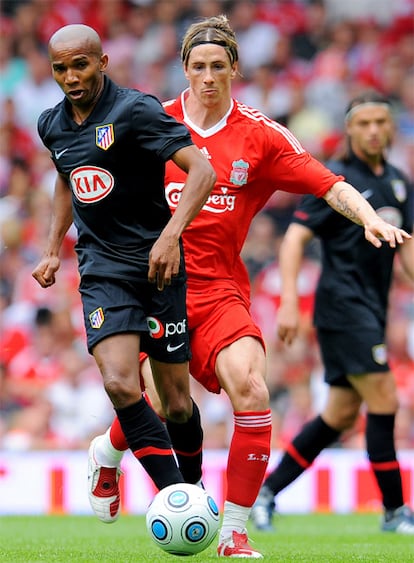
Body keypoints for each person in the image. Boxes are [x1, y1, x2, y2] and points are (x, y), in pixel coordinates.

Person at [89, 17, 411, 558]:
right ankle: (106, 451)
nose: (209, 77)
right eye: (198, 67)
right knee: (167, 407)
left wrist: (369, 218)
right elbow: (93, 179)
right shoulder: (152, 122)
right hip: (155, 287)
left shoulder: (259, 135)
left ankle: (235, 534)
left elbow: (327, 182)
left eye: (218, 66)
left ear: (235, 69)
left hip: (219, 292)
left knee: (254, 392)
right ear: (184, 70)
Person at [31, 23, 216, 522]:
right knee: (119, 383)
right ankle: (181, 501)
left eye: (80, 65)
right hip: (102, 269)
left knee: (177, 403)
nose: (70, 76)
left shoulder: (135, 110)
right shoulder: (52, 124)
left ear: (103, 61)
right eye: (60, 68)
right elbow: (67, 181)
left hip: (159, 267)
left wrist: (171, 235)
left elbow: (202, 171)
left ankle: (193, 487)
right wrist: (52, 249)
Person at [251, 91, 414, 535]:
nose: (374, 130)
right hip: (341, 307)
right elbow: (294, 239)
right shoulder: (336, 181)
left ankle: (265, 493)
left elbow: (410, 262)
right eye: (364, 123)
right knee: (385, 399)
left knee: (340, 415)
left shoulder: (400, 183)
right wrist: (287, 300)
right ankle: (396, 512)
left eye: (382, 121)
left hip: (372, 310)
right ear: (349, 129)